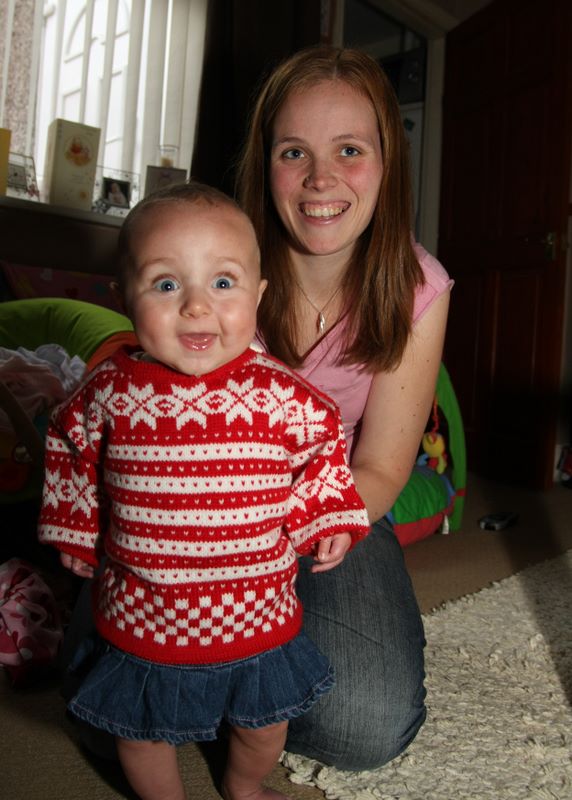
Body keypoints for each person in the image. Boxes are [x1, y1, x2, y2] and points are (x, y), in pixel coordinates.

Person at [38, 181, 370, 800]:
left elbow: (325, 444)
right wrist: (77, 527)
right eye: (167, 284)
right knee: (138, 735)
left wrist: (327, 516)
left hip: (256, 617)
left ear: (258, 295)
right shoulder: (109, 390)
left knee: (264, 728)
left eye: (222, 282)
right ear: (123, 297)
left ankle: (243, 788)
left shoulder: (282, 394)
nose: (196, 307)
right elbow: (67, 442)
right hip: (143, 617)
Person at [234, 45, 453, 771]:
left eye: (350, 150)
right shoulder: (220, 261)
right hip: (205, 508)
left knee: (369, 723)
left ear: (388, 163)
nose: (320, 178)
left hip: (338, 504)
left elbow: (383, 466)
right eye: (294, 152)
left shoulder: (420, 287)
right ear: (265, 164)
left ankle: (221, 698)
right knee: (105, 692)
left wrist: (292, 536)